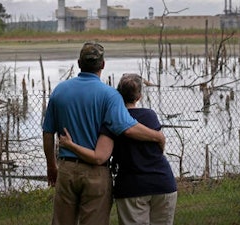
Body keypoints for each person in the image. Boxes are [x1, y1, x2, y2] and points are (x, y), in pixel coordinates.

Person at [42, 42, 165, 225]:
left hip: (67, 169)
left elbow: (48, 132)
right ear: (103, 64)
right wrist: (157, 136)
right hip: (96, 172)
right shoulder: (110, 95)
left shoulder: (60, 91)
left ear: (79, 63)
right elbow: (128, 128)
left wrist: (52, 166)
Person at [59, 73, 177, 225]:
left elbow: (99, 157)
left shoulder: (111, 121)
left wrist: (71, 145)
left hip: (132, 187)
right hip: (163, 183)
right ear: (139, 96)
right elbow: (160, 145)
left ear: (117, 94)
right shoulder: (150, 116)